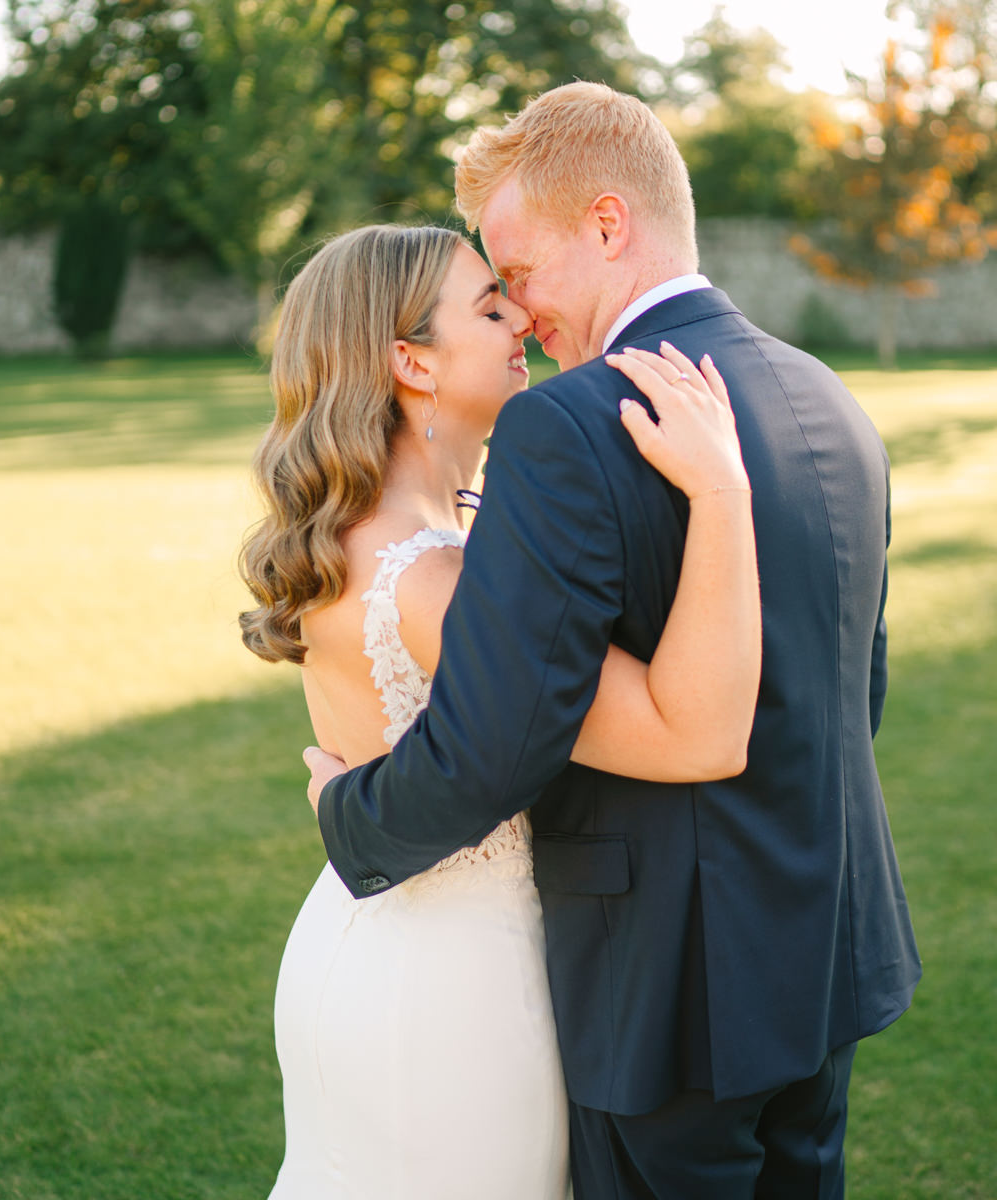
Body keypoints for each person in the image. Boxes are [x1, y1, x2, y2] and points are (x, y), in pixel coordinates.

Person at [307, 82, 921, 1199]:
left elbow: (501, 735)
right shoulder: (830, 400)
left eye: (522, 275)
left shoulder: (569, 426)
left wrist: (346, 813)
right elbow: (850, 689)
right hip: (825, 948)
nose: (524, 313)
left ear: (607, 223)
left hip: (668, 989)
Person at [239, 222, 763, 1198]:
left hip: (360, 947)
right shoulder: (439, 580)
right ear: (411, 361)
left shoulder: (365, 537)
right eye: (488, 309)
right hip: (456, 995)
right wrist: (721, 495)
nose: (522, 317)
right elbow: (695, 734)